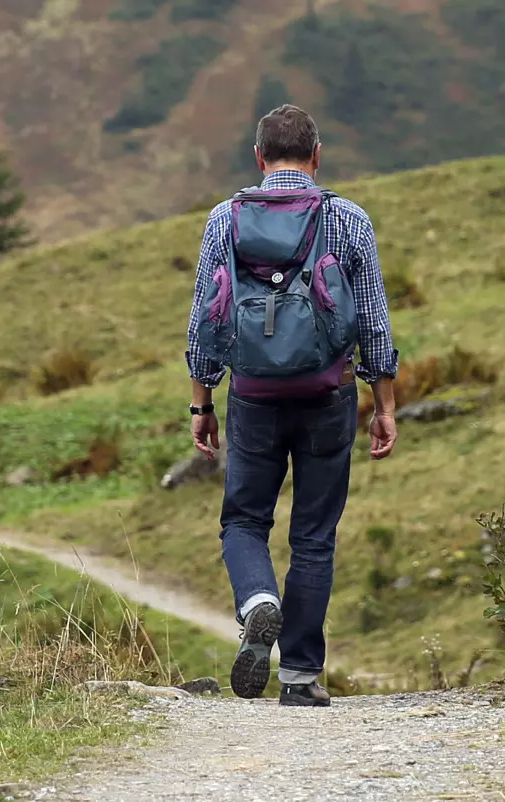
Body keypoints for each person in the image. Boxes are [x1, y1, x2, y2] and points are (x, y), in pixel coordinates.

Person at [184, 104, 399, 707]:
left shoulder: (224, 220)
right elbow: (375, 323)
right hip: (328, 394)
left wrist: (201, 402)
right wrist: (384, 403)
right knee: (314, 534)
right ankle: (300, 677)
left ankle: (258, 601)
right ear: (316, 155)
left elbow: (205, 317)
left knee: (244, 520)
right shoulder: (348, 219)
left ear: (258, 157)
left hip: (252, 396)